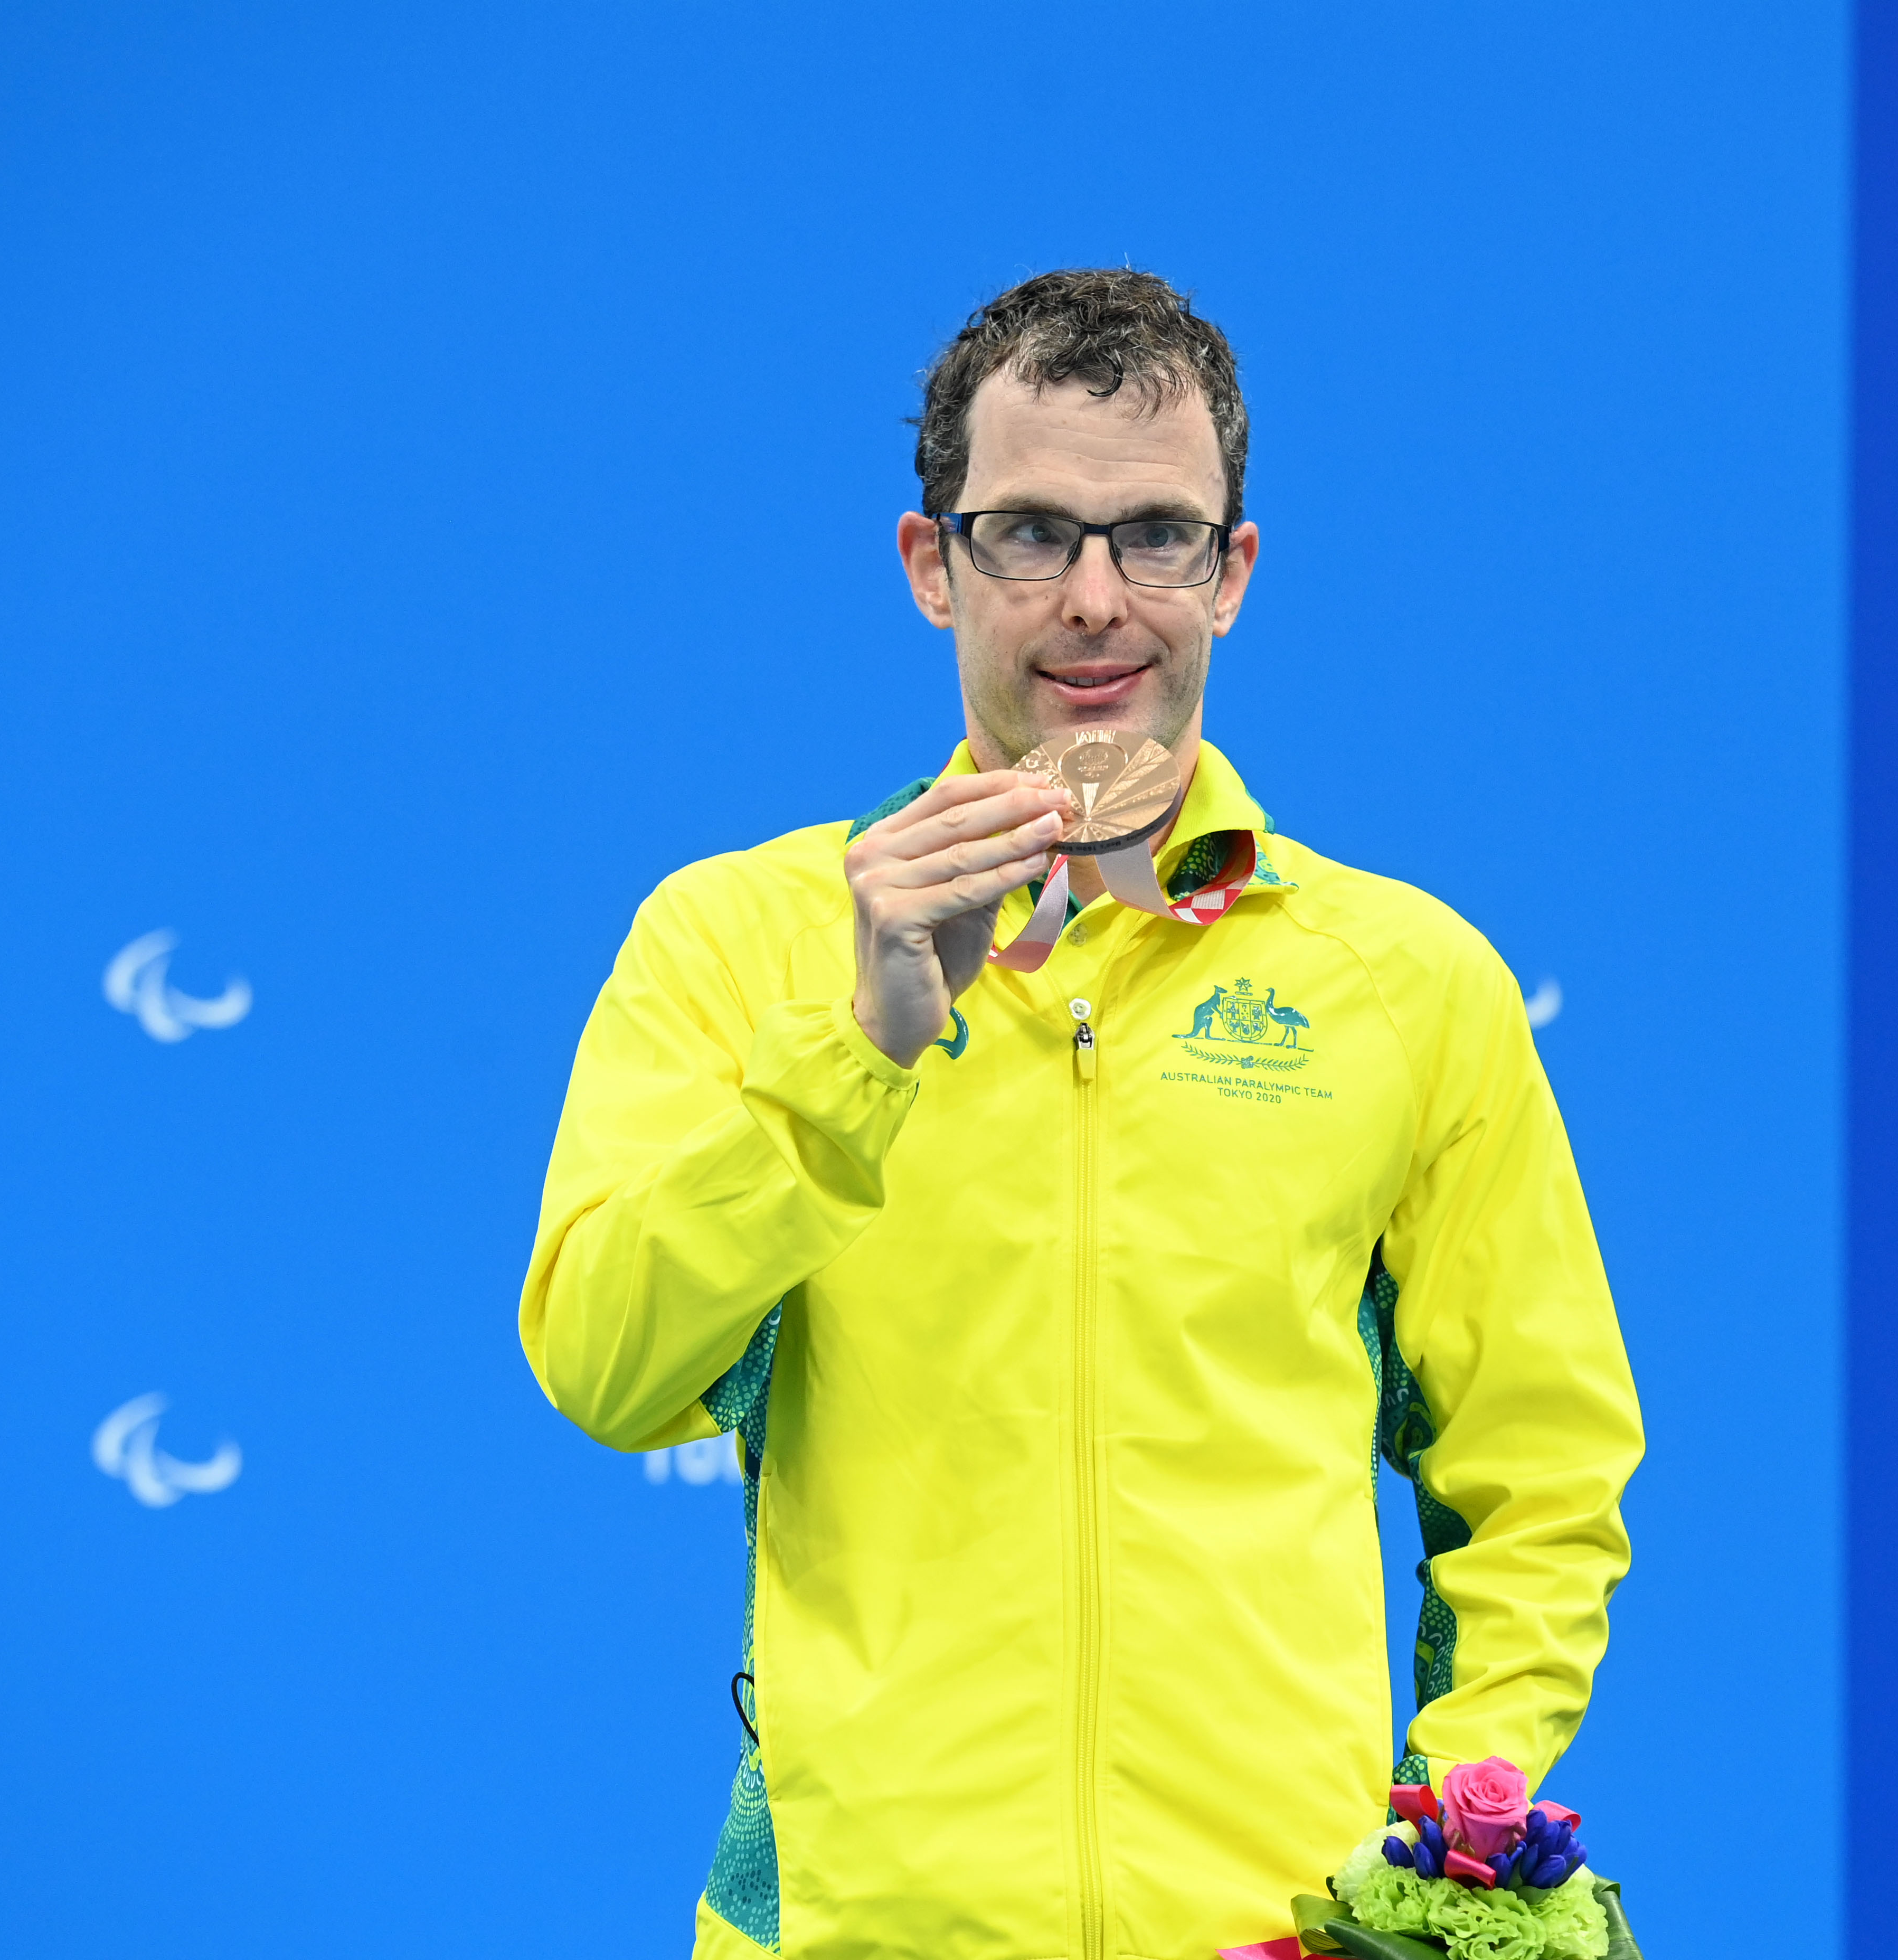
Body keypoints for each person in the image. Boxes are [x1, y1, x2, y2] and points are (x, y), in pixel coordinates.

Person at [520, 269, 1642, 1960]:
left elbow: (1542, 1480)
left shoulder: (1407, 978)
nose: (1096, 601)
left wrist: (1429, 1877)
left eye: (1159, 536)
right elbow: (610, 1369)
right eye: (1030, 533)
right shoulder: (736, 938)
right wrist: (860, 1052)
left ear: (1234, 574)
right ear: (932, 567)